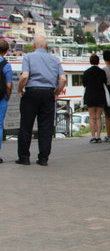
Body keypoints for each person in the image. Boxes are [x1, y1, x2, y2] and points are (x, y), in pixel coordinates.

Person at [16, 35, 66, 166]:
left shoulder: (28, 57)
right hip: (48, 93)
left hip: (32, 92)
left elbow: (24, 76)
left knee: (26, 125)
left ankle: (24, 157)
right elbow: (63, 79)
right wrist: (56, 92)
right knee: (46, 127)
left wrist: (20, 89)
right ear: (46, 46)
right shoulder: (55, 60)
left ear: (34, 46)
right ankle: (43, 158)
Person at [82, 54, 107, 143]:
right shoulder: (102, 72)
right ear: (98, 62)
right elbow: (105, 82)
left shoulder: (86, 72)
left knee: (92, 117)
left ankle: (93, 136)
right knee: (98, 117)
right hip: (100, 95)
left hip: (90, 95)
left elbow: (84, 84)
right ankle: (99, 136)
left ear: (90, 61)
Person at [0, 39, 13, 164]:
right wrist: (7, 96)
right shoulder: (6, 65)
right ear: (7, 51)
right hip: (1, 98)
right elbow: (9, 85)